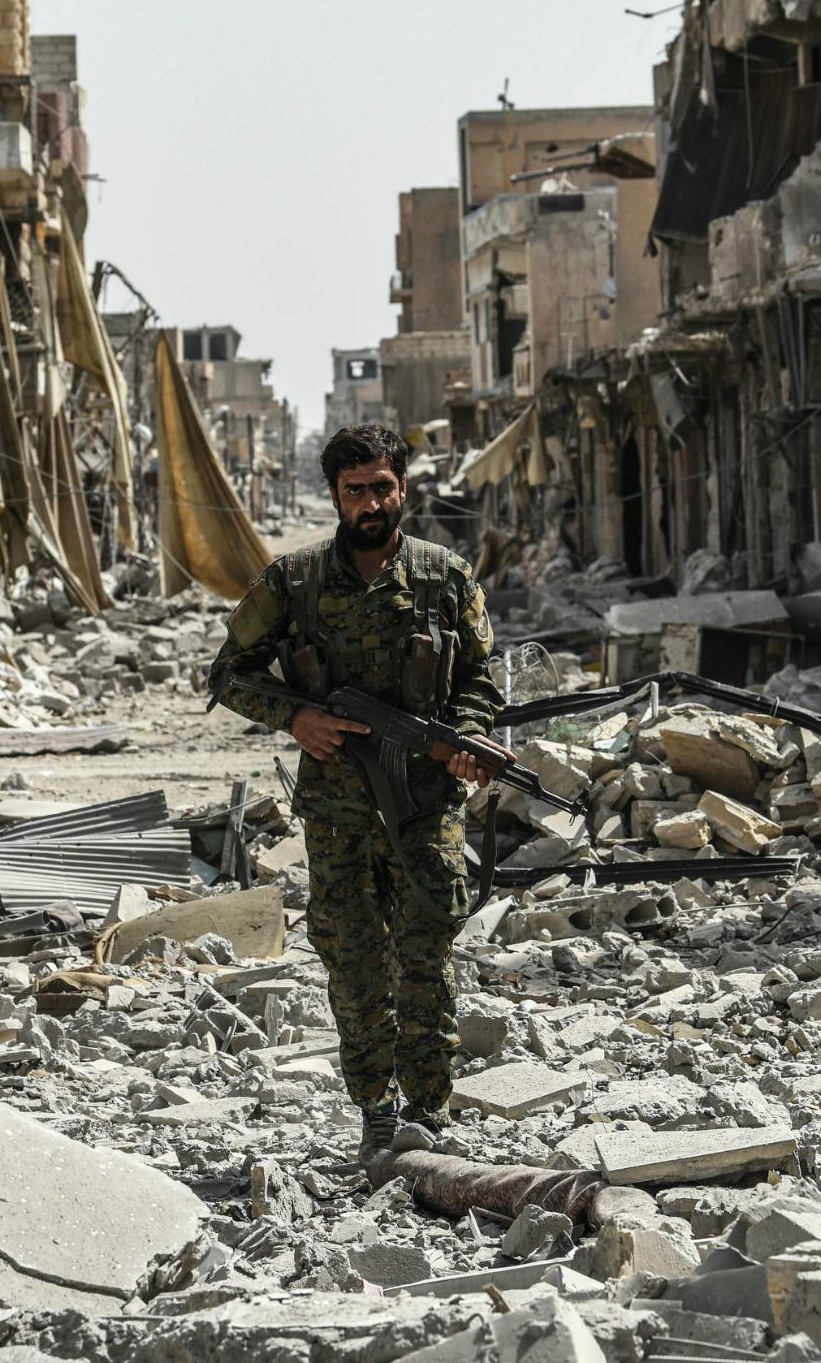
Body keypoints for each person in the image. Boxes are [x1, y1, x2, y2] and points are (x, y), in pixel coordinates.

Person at [207, 423, 504, 1165]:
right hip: (339, 810)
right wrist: (297, 716)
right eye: (355, 491)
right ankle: (376, 1110)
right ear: (335, 496)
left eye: (382, 487)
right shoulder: (295, 582)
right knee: (354, 961)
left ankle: (427, 1114)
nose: (370, 503)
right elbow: (228, 673)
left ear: (403, 489)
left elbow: (479, 680)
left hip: (426, 803)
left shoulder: (445, 576)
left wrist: (465, 738)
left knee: (426, 957)